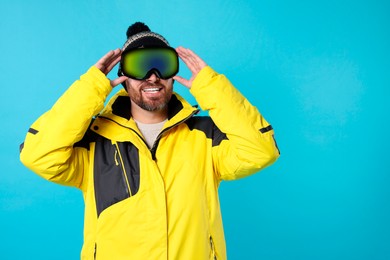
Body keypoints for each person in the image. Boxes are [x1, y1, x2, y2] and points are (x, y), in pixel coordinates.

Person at [20, 22, 280, 260]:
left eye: (162, 64)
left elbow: (261, 151)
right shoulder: (95, 140)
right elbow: (38, 155)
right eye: (140, 66)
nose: (152, 76)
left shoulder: (205, 137)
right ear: (123, 77)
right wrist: (91, 87)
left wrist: (211, 86)